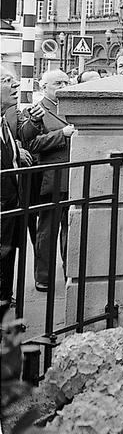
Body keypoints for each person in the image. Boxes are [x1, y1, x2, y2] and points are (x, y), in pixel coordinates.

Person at [19, 70, 75, 292]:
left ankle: (70, 271)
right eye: (57, 83)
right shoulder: (36, 110)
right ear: (44, 87)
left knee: (71, 227)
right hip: (51, 177)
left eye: (66, 81)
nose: (63, 85)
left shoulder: (71, 105)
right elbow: (30, 144)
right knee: (47, 229)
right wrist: (63, 134)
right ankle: (44, 276)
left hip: (73, 175)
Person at [1, 66, 31, 309]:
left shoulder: (5, 121)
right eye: (6, 81)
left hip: (10, 204)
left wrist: (16, 152)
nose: (15, 86)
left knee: (8, 254)